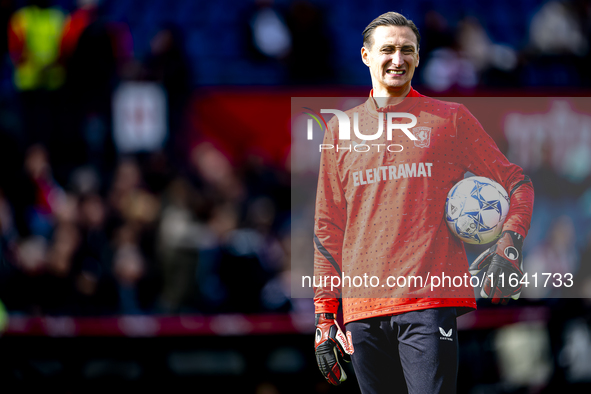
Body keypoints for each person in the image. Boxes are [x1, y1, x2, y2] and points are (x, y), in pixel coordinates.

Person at [312, 12, 534, 394]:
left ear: (418, 57)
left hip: (428, 302)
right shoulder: (339, 130)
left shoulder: (450, 120)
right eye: (387, 50)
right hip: (362, 310)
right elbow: (327, 228)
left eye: (406, 51)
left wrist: (509, 242)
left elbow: (518, 183)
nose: (397, 59)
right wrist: (324, 316)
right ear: (365, 55)